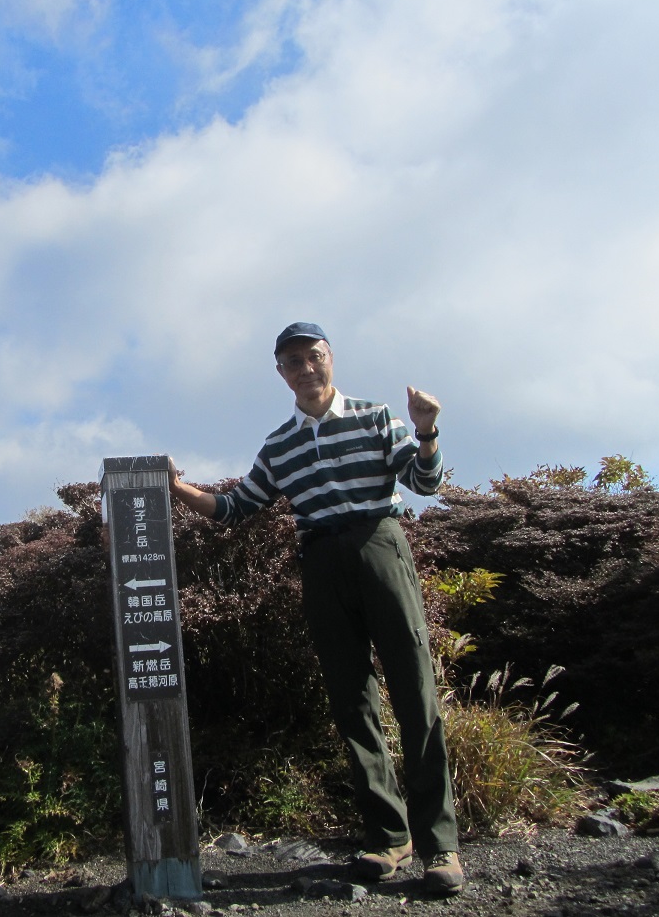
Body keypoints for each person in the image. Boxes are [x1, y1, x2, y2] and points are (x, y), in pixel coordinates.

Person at [166, 322, 464, 895]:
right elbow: (235, 506)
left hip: (380, 544)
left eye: (314, 356)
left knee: (414, 692)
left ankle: (440, 846)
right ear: (281, 373)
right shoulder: (279, 445)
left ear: (330, 358)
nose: (306, 368)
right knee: (352, 702)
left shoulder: (377, 417)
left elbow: (424, 483)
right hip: (320, 560)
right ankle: (387, 838)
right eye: (293, 361)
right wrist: (178, 488)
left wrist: (427, 432)